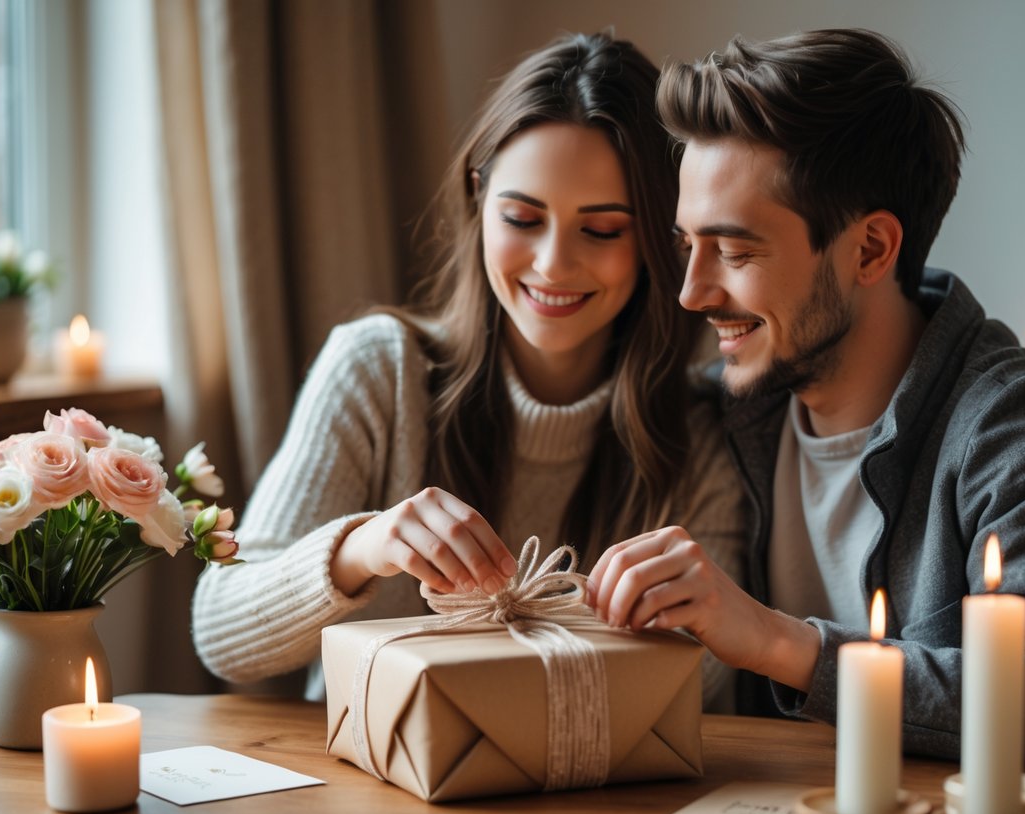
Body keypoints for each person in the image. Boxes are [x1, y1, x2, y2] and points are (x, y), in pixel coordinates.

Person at [587, 28, 1025, 765]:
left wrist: (775, 640)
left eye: (736, 251)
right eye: (688, 247)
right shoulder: (714, 416)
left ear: (870, 249)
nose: (691, 293)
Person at [191, 32, 744, 709]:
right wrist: (362, 547)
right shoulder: (378, 370)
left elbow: (707, 688)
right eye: (520, 217)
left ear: (658, 240)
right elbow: (221, 635)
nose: (551, 265)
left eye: (600, 231)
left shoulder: (693, 429)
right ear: (478, 200)